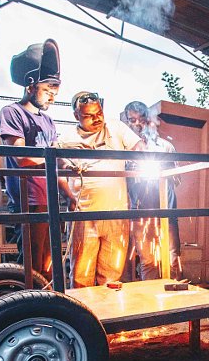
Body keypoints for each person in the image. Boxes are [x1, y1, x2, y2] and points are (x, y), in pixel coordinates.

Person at [0, 39, 75, 277]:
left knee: (49, 263)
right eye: (47, 91)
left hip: (49, 199)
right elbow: (22, 158)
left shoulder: (48, 121)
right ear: (30, 86)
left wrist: (69, 193)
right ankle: (29, 306)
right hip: (28, 199)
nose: (52, 97)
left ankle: (47, 305)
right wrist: (55, 158)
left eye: (55, 92)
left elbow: (55, 166)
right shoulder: (12, 113)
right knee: (31, 265)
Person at [57, 92, 144, 288]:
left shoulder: (116, 127)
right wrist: (69, 197)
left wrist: (141, 157)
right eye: (89, 115)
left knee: (112, 276)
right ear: (76, 116)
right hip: (83, 216)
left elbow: (138, 146)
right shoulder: (66, 138)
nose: (97, 119)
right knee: (81, 275)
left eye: (99, 113)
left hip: (116, 214)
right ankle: (83, 317)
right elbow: (58, 170)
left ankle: (108, 317)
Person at [121, 101, 181, 280]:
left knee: (172, 259)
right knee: (148, 261)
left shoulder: (165, 147)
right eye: (133, 120)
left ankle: (175, 298)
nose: (138, 124)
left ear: (148, 119)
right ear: (128, 122)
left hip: (166, 212)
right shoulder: (126, 150)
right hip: (140, 215)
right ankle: (152, 298)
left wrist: (165, 172)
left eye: (141, 119)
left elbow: (177, 180)